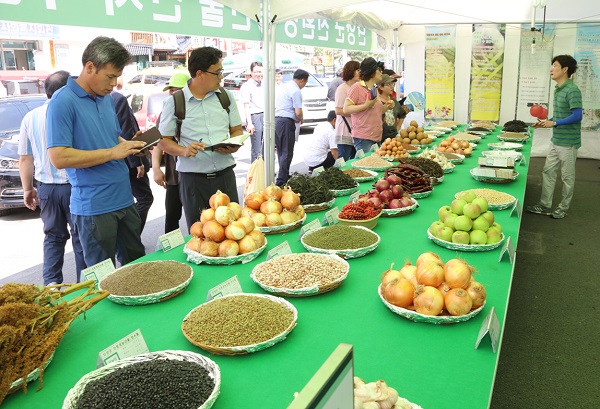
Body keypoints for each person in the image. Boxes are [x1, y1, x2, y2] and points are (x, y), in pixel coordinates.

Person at [46, 36, 146, 268]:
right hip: (94, 208)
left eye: (117, 78)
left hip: (123, 198)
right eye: (110, 77)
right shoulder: (63, 101)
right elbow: (59, 157)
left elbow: (112, 138)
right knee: (101, 279)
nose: (114, 84)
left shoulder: (106, 98)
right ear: (90, 67)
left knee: (139, 269)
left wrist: (129, 144)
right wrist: (113, 152)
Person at [157, 46, 243, 231]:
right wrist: (184, 150)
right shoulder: (175, 101)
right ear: (200, 74)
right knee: (202, 235)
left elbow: (236, 130)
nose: (222, 77)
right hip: (194, 181)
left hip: (226, 176)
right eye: (218, 72)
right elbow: (163, 140)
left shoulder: (226, 97)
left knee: (234, 230)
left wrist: (234, 144)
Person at [18, 70, 86, 285]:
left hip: (46, 189)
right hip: (74, 186)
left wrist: (27, 189)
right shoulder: (73, 112)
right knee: (80, 238)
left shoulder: (30, 117)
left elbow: (25, 159)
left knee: (53, 238)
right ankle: (84, 286)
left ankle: (51, 286)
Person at [527, 55, 582, 219]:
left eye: (555, 66)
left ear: (565, 69)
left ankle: (563, 208)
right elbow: (559, 115)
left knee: (567, 177)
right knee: (548, 172)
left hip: (568, 143)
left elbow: (577, 115)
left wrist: (555, 123)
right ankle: (545, 205)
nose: (551, 69)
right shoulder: (559, 89)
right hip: (556, 140)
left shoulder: (572, 90)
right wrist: (546, 121)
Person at [151, 72, 190, 234]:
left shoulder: (196, 111)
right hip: (173, 177)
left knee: (197, 220)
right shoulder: (166, 111)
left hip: (193, 176)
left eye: (177, 91)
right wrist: (156, 169)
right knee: (172, 219)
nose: (173, 94)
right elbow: (157, 141)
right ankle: (169, 255)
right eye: (171, 91)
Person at [111, 89, 154, 232]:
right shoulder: (117, 99)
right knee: (145, 198)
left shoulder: (102, 100)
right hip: (128, 160)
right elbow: (126, 130)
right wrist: (137, 162)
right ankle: (130, 235)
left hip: (117, 162)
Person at [343, 57, 388, 152]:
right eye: (379, 70)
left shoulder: (373, 89)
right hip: (363, 138)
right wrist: (365, 105)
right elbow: (346, 109)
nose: (381, 72)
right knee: (366, 165)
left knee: (375, 164)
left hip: (376, 137)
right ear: (372, 72)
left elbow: (375, 111)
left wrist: (387, 107)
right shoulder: (357, 87)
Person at [274, 69, 308, 186]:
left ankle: (284, 174)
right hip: (286, 122)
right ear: (302, 80)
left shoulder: (285, 86)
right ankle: (281, 181)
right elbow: (298, 112)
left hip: (278, 121)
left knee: (281, 151)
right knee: (287, 152)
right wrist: (301, 118)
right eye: (305, 83)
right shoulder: (295, 90)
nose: (304, 86)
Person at [334, 60, 360, 161]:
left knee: (354, 161)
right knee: (343, 161)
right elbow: (338, 110)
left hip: (356, 131)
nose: (360, 72)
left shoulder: (357, 87)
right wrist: (356, 112)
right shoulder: (342, 88)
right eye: (357, 69)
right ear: (351, 71)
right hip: (345, 131)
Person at [240, 61, 264, 163]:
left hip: (265, 115)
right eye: (256, 72)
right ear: (251, 72)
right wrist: (249, 123)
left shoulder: (265, 84)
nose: (258, 74)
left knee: (266, 146)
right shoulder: (247, 86)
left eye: (260, 71)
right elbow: (246, 106)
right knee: (256, 147)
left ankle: (266, 171)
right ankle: (255, 173)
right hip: (255, 116)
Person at [378, 74, 407, 139]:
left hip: (393, 138)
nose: (392, 87)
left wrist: (397, 128)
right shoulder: (376, 102)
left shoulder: (394, 101)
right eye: (389, 84)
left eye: (393, 84)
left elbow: (402, 115)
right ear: (381, 87)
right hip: (379, 138)